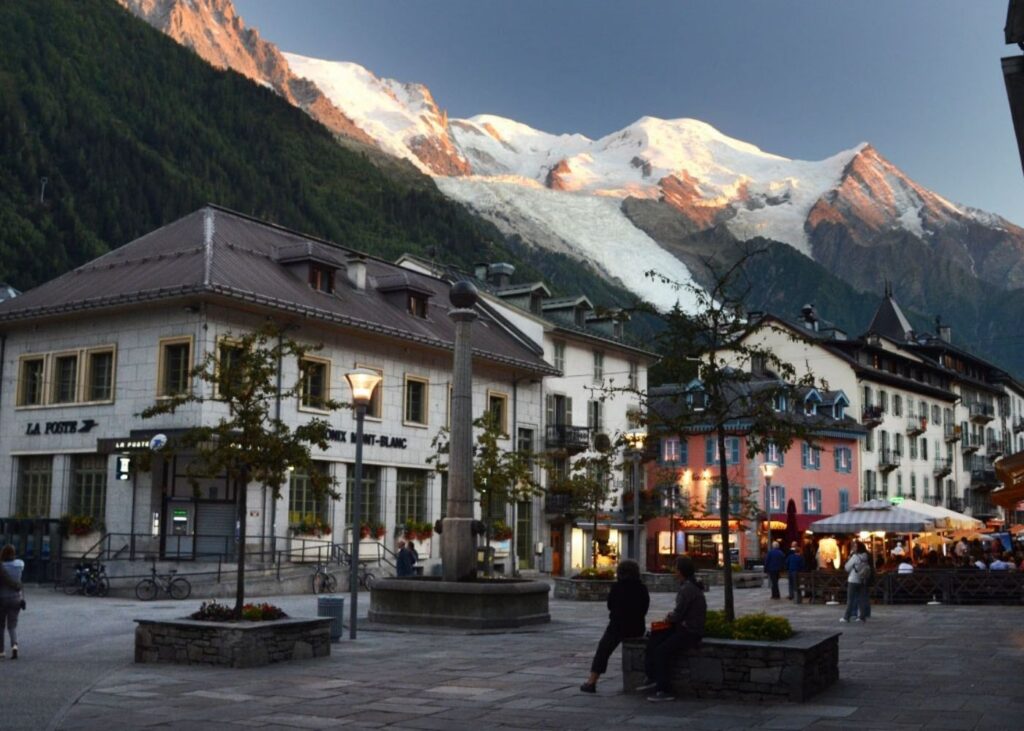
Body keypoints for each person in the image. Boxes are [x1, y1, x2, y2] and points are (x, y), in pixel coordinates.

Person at [639, 556, 707, 702]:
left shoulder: (687, 589)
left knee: (661, 651)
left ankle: (664, 689)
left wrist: (669, 617)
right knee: (654, 636)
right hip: (683, 627)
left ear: (680, 571)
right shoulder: (690, 586)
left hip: (690, 631)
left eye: (675, 569)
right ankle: (651, 677)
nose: (674, 572)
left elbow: (679, 614)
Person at [580, 559, 650, 694]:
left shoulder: (617, 587)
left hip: (617, 626)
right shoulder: (642, 588)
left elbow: (610, 605)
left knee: (603, 651)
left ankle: (592, 681)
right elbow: (644, 608)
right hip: (637, 627)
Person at [0, 544, 24, 660]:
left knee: (1, 625)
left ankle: (1, 651)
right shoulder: (19, 564)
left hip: (2, 598)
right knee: (12, 625)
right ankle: (14, 645)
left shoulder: (1, 566)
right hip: (16, 598)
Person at [841, 541, 870, 623]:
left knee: (850, 599)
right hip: (862, 579)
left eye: (855, 547)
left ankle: (846, 617)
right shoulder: (866, 556)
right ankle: (861, 617)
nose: (854, 548)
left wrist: (850, 557)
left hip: (853, 579)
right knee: (861, 599)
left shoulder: (855, 557)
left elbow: (847, 567)